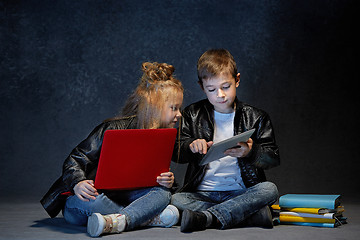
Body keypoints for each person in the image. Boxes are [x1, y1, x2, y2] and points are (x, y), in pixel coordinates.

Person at [40, 62, 184, 237]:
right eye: (174, 108)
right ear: (154, 108)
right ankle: (144, 218)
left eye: (179, 108)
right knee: (91, 204)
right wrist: (78, 183)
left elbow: (150, 177)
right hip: (92, 198)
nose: (179, 114)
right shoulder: (112, 128)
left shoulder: (163, 137)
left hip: (127, 197)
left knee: (162, 193)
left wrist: (167, 181)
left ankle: (118, 221)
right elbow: (75, 159)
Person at [171, 49, 280, 232]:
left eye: (226, 86)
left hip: (241, 192)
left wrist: (251, 152)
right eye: (212, 90)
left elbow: (273, 157)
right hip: (202, 193)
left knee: (270, 189)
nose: (220, 95)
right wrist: (190, 146)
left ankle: (206, 218)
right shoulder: (192, 113)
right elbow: (176, 153)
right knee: (176, 199)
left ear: (237, 80)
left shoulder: (256, 116)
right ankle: (248, 215)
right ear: (202, 86)